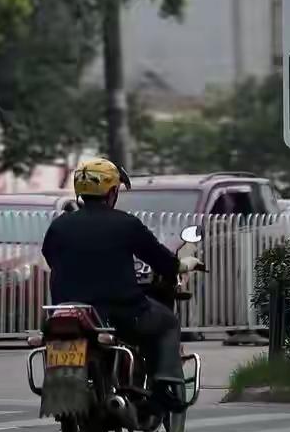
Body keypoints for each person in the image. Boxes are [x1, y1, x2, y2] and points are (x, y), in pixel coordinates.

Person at [41, 157, 201, 411]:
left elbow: (50, 256)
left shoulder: (59, 226)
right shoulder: (126, 224)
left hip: (68, 310)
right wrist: (183, 264)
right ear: (112, 191)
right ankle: (162, 391)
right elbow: (163, 263)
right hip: (121, 311)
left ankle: (78, 393)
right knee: (168, 323)